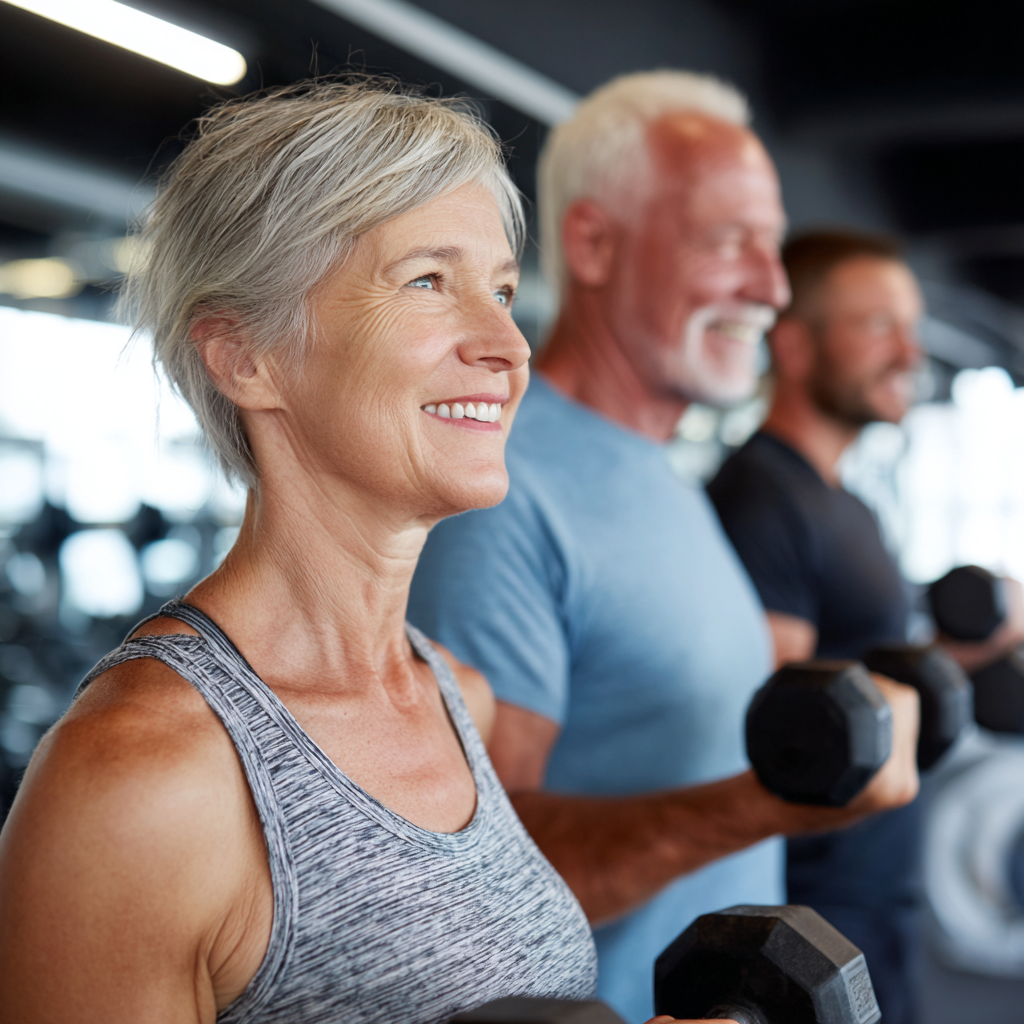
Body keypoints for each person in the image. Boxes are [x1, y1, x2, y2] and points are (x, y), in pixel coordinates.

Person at [0, 79, 618, 1024]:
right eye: (427, 280)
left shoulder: (458, 698)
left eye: (500, 290)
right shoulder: (136, 781)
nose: (508, 344)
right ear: (245, 356)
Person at [408, 72, 920, 1023]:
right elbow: (482, 883)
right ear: (594, 245)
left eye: (771, 246)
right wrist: (776, 799)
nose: (771, 287)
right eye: (728, 240)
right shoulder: (505, 491)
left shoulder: (666, 476)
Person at [707, 228, 1024, 1024]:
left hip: (881, 883)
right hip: (820, 901)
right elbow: (773, 729)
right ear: (794, 344)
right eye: (879, 325)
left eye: (912, 327)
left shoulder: (844, 499)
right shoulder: (762, 500)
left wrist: (966, 651)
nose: (910, 352)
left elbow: (858, 672)